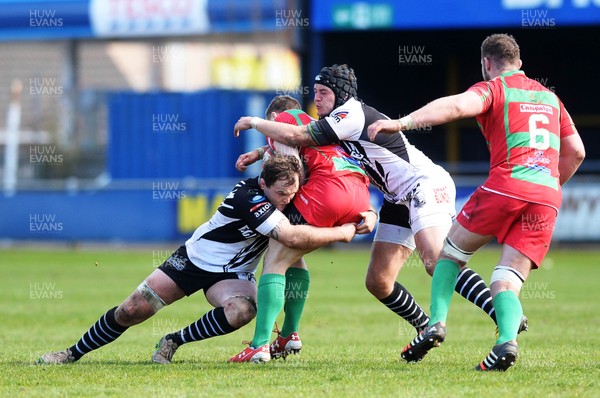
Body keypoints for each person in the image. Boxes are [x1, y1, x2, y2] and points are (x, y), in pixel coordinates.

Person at [233, 64, 521, 357]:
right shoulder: (337, 121)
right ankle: (424, 326)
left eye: (323, 93)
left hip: (422, 183)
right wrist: (259, 153)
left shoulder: (349, 115)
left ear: (341, 94)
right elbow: (313, 149)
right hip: (396, 198)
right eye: (315, 92)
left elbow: (298, 136)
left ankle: (503, 315)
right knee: (378, 281)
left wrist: (255, 123)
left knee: (436, 260)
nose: (316, 99)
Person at [368, 33, 585, 371]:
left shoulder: (495, 88)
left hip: (507, 184)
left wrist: (402, 122)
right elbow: (577, 152)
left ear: (487, 63)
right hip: (547, 196)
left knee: (449, 254)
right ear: (520, 62)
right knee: (506, 279)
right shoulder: (551, 99)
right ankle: (505, 343)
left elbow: (455, 107)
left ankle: (436, 322)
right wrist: (549, 183)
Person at [37, 154, 360, 365]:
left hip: (233, 275)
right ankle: (70, 353)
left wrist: (366, 214)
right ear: (263, 184)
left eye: (292, 196)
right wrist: (344, 234)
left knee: (243, 311)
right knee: (131, 309)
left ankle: (173, 340)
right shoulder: (249, 197)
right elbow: (290, 237)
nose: (287, 202)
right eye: (281, 196)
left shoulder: (284, 195)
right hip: (192, 261)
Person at [228, 95, 375, 363]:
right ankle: (288, 335)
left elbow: (291, 170)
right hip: (359, 195)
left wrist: (281, 208)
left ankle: (259, 345)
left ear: (273, 118)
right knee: (294, 258)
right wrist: (262, 152)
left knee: (275, 257)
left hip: (326, 193)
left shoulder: (282, 122)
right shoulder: (320, 125)